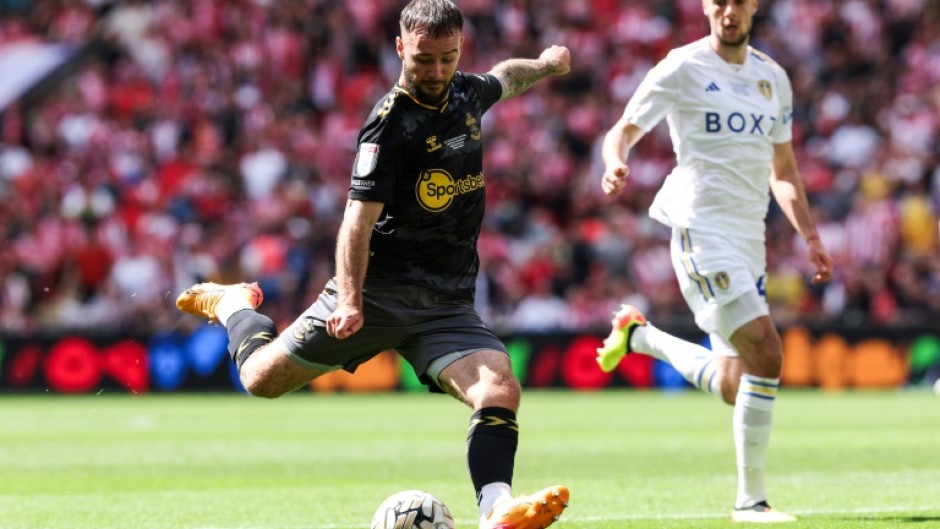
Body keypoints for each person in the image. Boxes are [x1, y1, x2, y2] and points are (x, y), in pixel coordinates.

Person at [175, 2, 571, 529]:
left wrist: (544, 64)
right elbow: (355, 223)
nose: (434, 72)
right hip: (375, 294)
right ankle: (232, 305)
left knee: (499, 387)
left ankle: (496, 508)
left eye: (447, 59)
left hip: (445, 303)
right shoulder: (388, 128)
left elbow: (506, 78)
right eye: (424, 60)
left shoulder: (466, 94)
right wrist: (352, 300)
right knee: (259, 379)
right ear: (400, 48)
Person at [596, 0, 833, 523]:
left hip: (751, 240)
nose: (729, 10)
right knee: (768, 355)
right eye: (719, 1)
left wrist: (811, 237)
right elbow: (623, 130)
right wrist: (616, 162)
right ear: (707, 7)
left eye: (739, 1)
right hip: (701, 230)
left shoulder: (773, 78)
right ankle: (751, 502)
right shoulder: (681, 66)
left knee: (735, 385)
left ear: (753, 7)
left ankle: (640, 337)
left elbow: (785, 171)